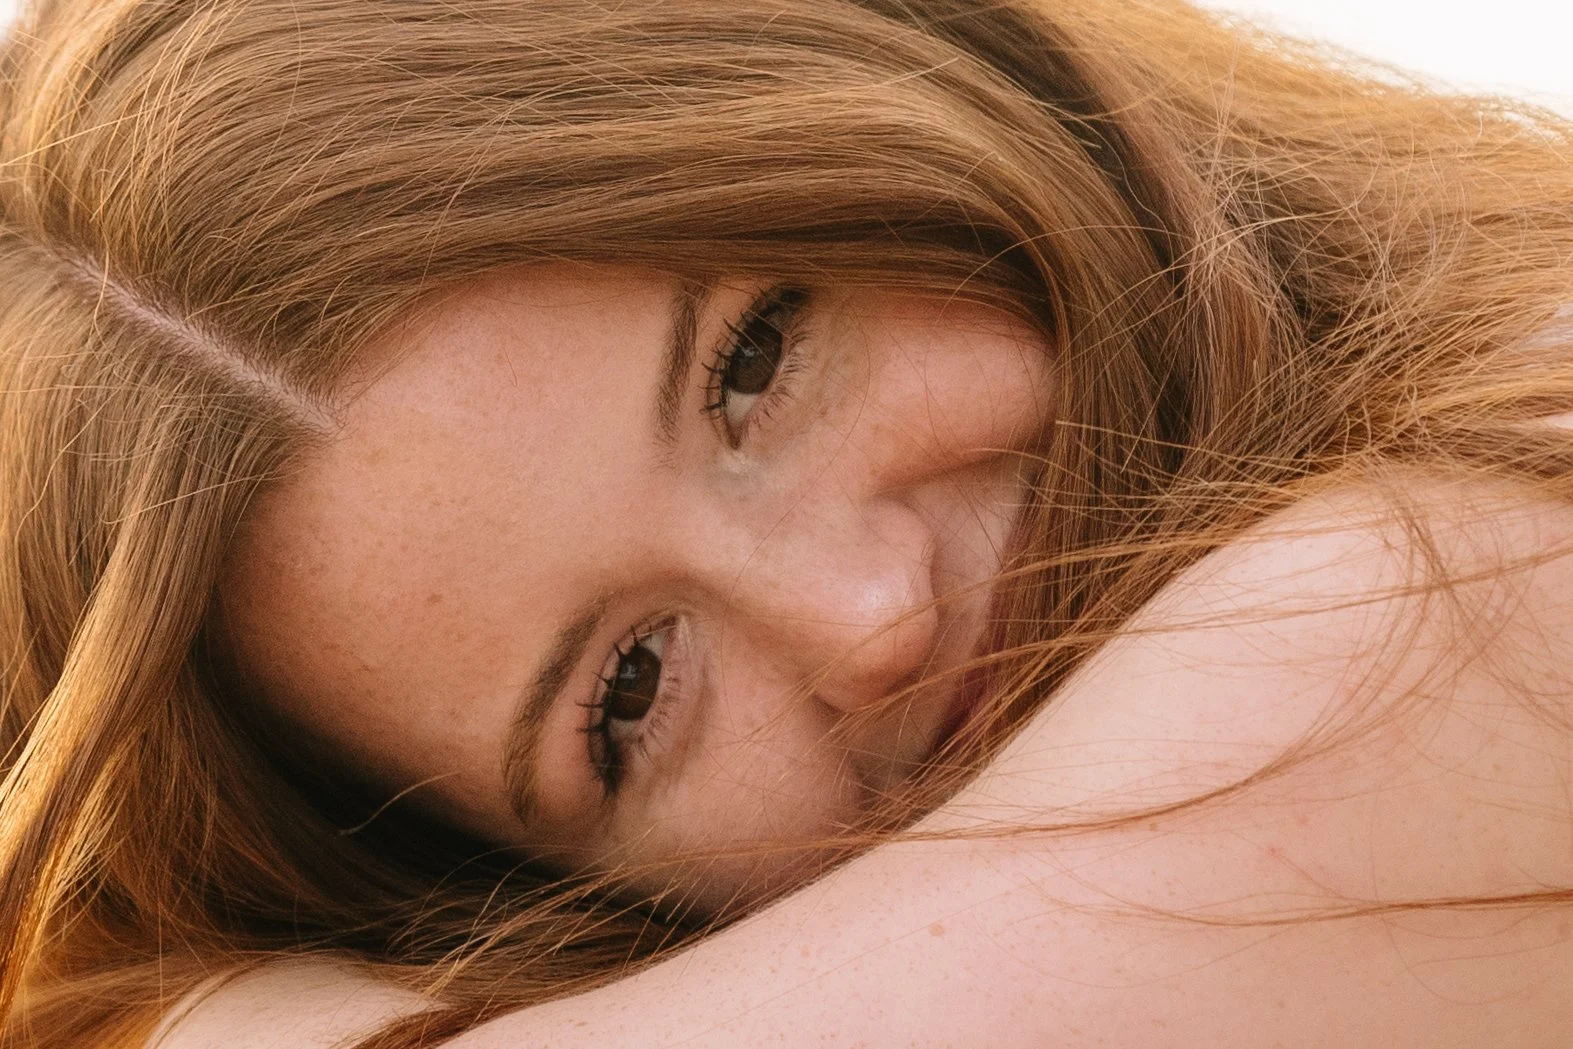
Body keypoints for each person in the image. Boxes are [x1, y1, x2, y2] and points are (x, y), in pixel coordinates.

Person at [2, 0, 1573, 1046]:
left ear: (919, 111)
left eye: (756, 360)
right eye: (627, 692)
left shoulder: (1479, 538)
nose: (864, 617)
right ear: (507, 897)